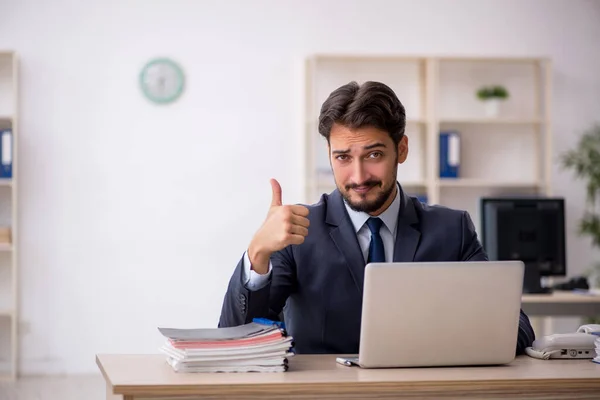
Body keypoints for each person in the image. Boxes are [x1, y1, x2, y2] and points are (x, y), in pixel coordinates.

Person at [218, 81, 535, 355]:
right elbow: (234, 336)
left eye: (374, 155)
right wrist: (258, 251)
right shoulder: (300, 233)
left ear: (402, 149)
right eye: (343, 157)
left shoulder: (452, 230)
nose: (358, 176)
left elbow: (517, 330)